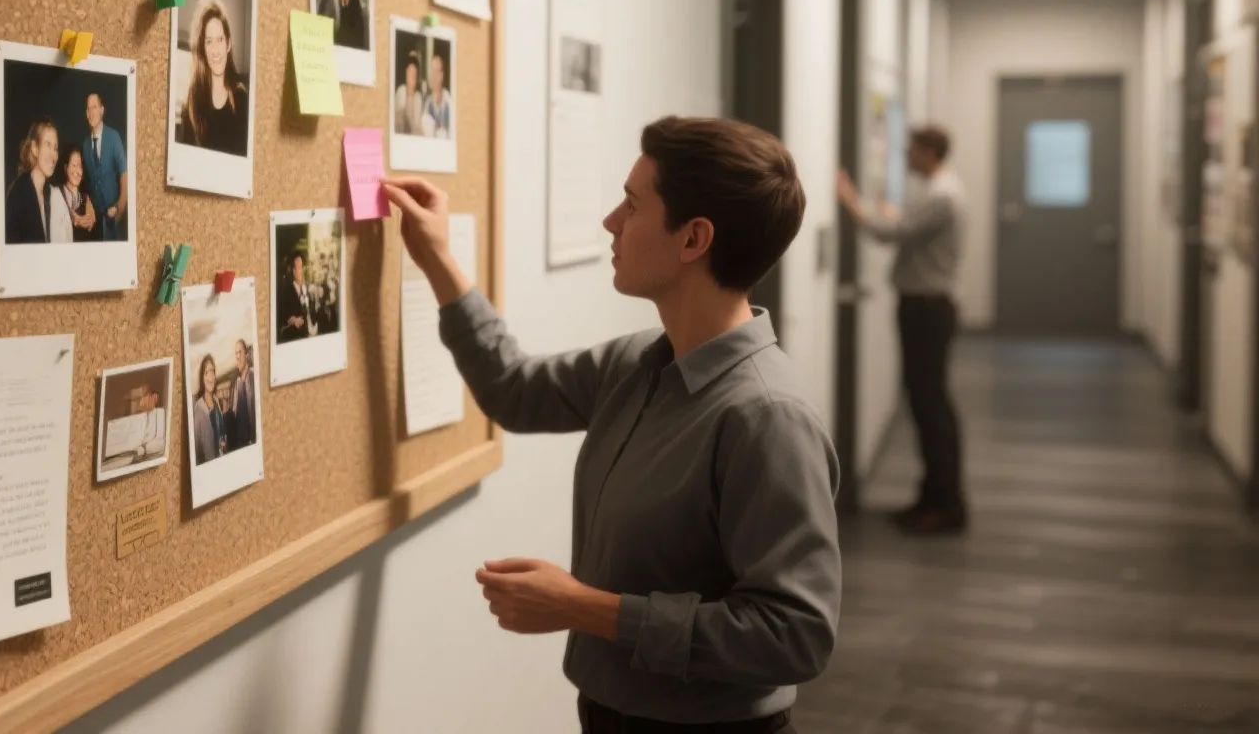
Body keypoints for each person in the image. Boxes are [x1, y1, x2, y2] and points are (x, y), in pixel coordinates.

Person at [380, 116, 837, 734]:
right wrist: (437, 257)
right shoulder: (641, 361)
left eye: (631, 203)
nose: (610, 222)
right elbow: (515, 391)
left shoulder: (767, 418)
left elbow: (795, 636)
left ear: (693, 239)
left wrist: (583, 608)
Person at [836, 124, 967, 535]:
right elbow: (907, 224)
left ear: (929, 152)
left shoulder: (943, 195)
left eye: (911, 150)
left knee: (930, 406)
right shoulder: (939, 189)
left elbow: (887, 233)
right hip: (924, 308)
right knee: (926, 402)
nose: (906, 156)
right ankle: (933, 497)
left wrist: (850, 201)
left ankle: (945, 504)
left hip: (926, 311)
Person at [175, 0, 250, 156]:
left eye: (220, 40)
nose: (216, 50)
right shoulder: (190, 104)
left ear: (228, 44)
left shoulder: (242, 98)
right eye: (209, 42)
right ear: (203, 49)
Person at [3, 118, 60, 244]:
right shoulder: (18, 194)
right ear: (35, 148)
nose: (53, 155)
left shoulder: (49, 193)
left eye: (56, 148)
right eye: (48, 145)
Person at [82, 92, 128, 241]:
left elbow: (124, 173)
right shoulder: (85, 145)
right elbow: (86, 182)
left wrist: (120, 209)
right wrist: (88, 203)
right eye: (88, 109)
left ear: (102, 110)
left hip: (115, 216)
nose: (91, 112)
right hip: (95, 220)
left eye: (94, 107)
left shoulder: (114, 137)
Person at [56, 144, 97, 243]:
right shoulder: (56, 194)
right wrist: (70, 217)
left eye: (80, 166)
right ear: (65, 168)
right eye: (73, 165)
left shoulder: (86, 199)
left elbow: (91, 227)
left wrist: (89, 222)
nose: (77, 171)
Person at [276, 249, 317, 343]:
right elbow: (281, 319)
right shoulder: (286, 293)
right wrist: (291, 320)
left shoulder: (308, 288)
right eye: (299, 267)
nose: (302, 270)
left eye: (302, 266)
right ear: (292, 271)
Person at [227, 339, 257, 450]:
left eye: (240, 352)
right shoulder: (237, 384)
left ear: (246, 354)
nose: (238, 356)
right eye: (236, 353)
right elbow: (234, 414)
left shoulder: (253, 378)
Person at [191, 356, 222, 463]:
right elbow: (197, 446)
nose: (210, 376)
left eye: (212, 371)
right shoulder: (199, 407)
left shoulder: (216, 401)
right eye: (207, 372)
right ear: (202, 378)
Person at [393, 52, 426, 136]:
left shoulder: (418, 97)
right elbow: (399, 126)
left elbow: (417, 127)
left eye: (414, 75)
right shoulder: (401, 92)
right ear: (406, 73)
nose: (412, 78)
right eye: (410, 73)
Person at [421, 50, 453, 138]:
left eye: (436, 72)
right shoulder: (426, 107)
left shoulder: (450, 103)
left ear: (442, 75)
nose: (433, 76)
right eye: (431, 71)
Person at [133, 383, 167, 462]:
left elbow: (161, 442)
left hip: (151, 455)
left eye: (154, 399)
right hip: (140, 452)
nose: (146, 399)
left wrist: (145, 449)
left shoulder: (160, 413)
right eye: (145, 396)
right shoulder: (142, 416)